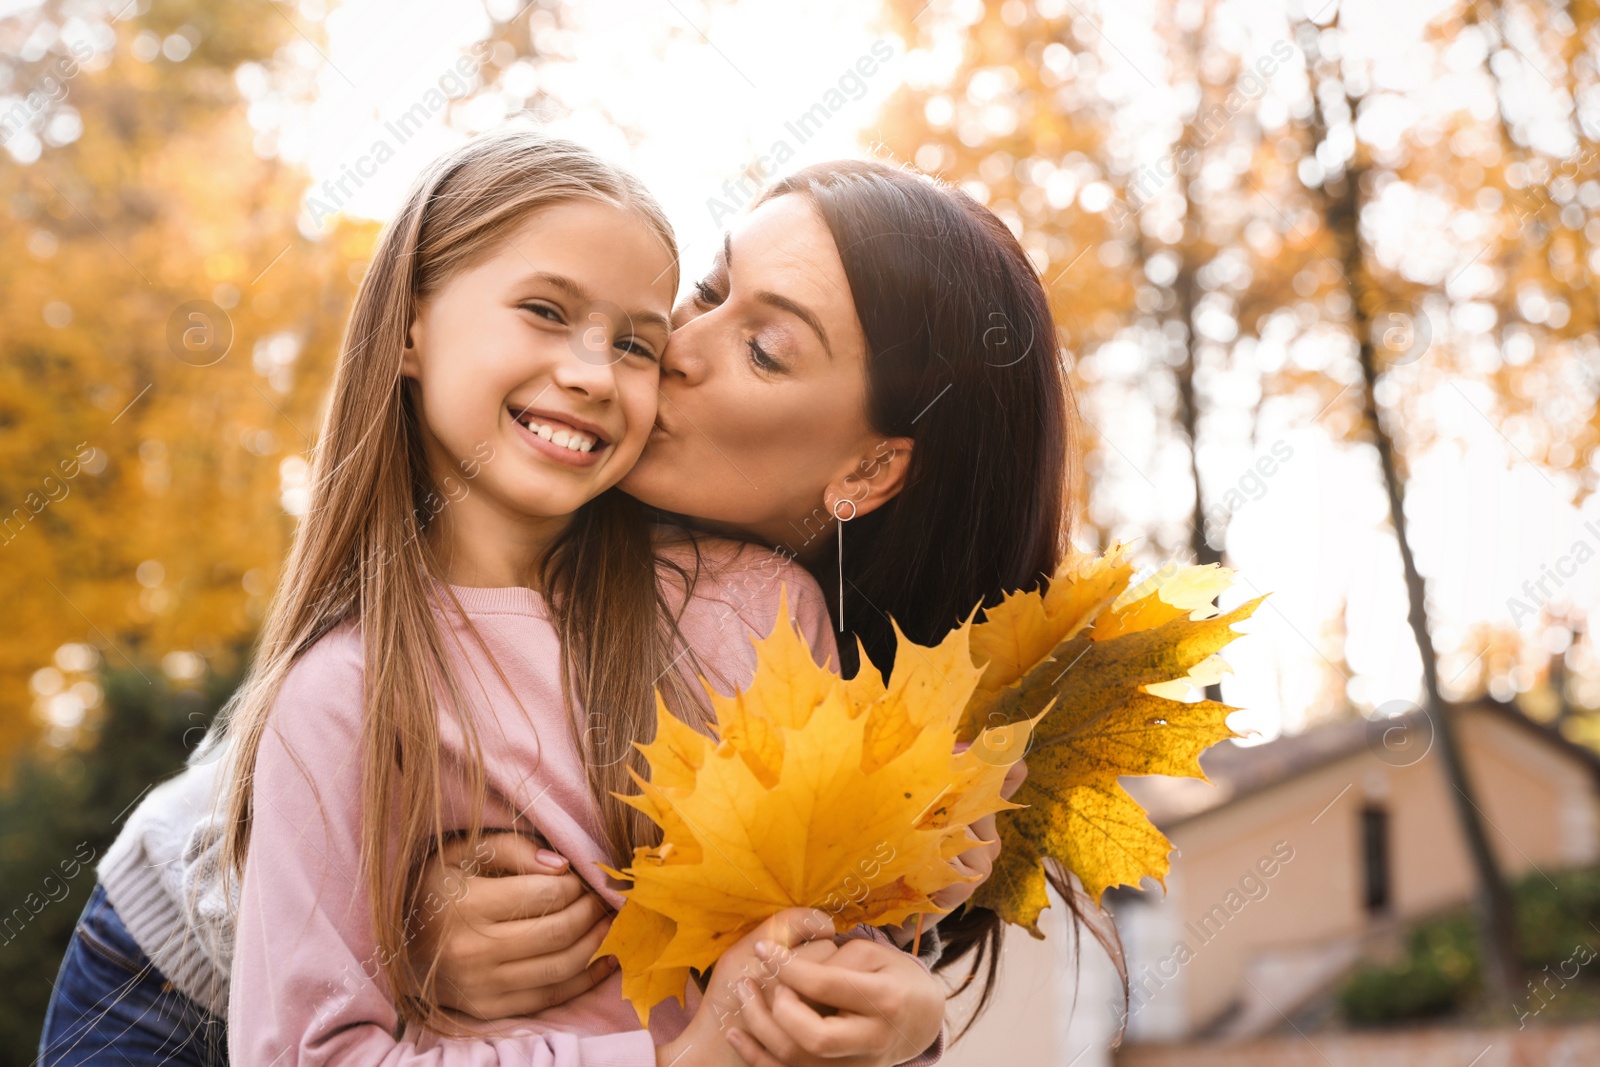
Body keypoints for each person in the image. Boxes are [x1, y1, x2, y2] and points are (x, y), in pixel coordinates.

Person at [42, 149, 1106, 1063]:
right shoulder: (475, 552)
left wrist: (895, 1002)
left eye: (763, 347)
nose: (669, 349)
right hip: (178, 958)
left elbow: (785, 958)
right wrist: (401, 936)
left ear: (871, 470)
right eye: (709, 289)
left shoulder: (781, 628)